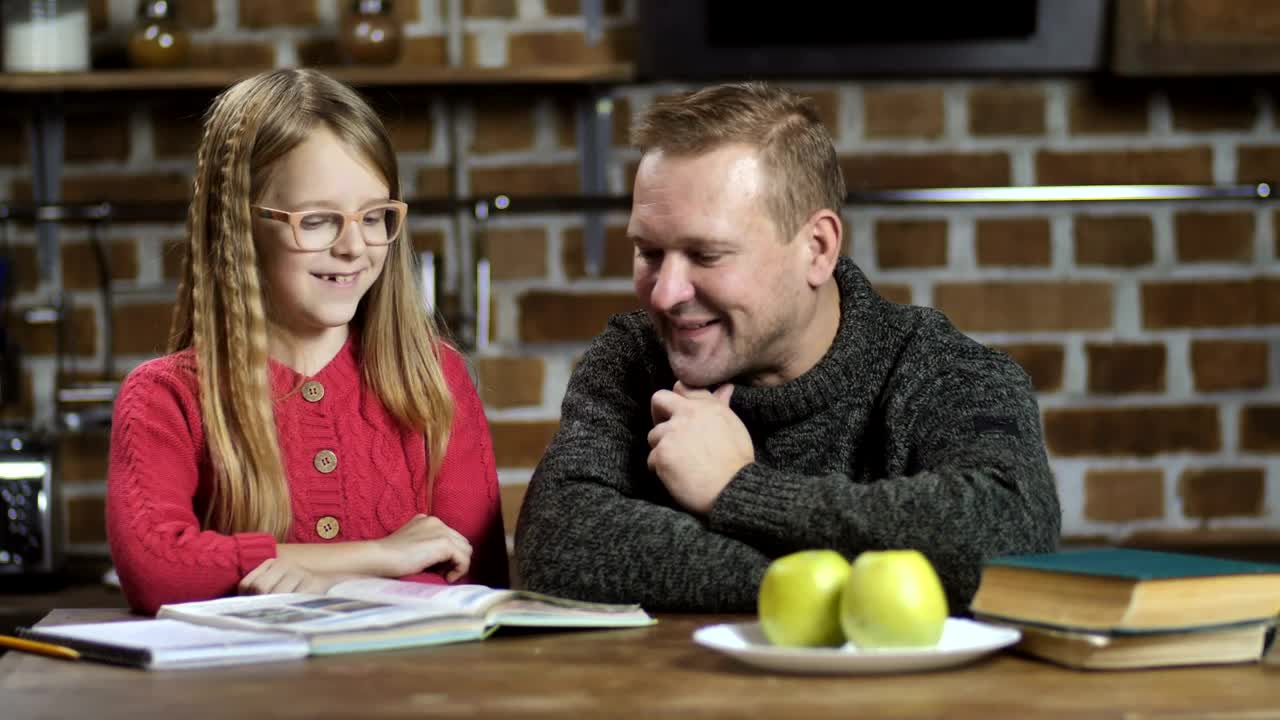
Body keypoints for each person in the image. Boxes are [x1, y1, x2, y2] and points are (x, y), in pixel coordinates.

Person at [514, 82, 1060, 613]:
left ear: (817, 249)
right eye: (649, 252)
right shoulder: (633, 357)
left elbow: (1010, 538)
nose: (665, 292)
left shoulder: (942, 369)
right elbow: (557, 542)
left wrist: (736, 488)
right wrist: (839, 580)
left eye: (706, 255)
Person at [106, 69, 507, 615]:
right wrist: (380, 556)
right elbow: (158, 570)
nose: (353, 246)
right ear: (240, 228)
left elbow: (472, 582)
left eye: (374, 217)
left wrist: (285, 571)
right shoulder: (167, 396)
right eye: (317, 221)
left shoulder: (436, 378)